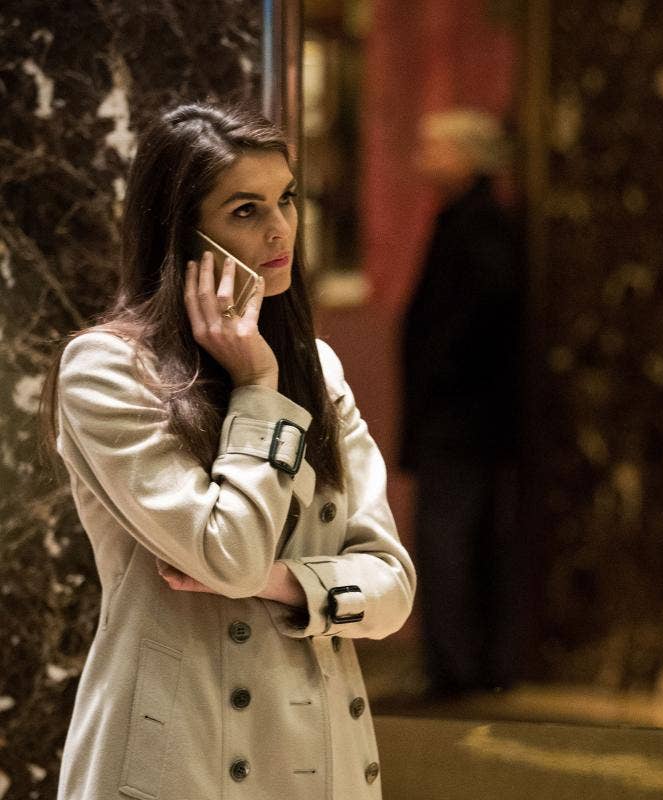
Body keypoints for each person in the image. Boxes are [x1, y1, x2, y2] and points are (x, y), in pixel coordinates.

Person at [44, 103, 416, 799]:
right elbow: (228, 554)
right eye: (245, 210)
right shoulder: (106, 370)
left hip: (318, 758)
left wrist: (282, 583)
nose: (280, 229)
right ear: (181, 233)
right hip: (176, 756)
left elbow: (392, 589)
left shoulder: (319, 369)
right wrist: (256, 385)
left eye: (286, 199)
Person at [398, 109, 524, 698]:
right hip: (462, 415)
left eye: (437, 149)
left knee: (450, 539)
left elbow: (477, 317)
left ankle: (456, 667)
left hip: (460, 418)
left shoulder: (478, 226)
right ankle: (459, 663)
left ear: (469, 157)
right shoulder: (468, 220)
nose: (424, 161)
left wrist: (441, 376)